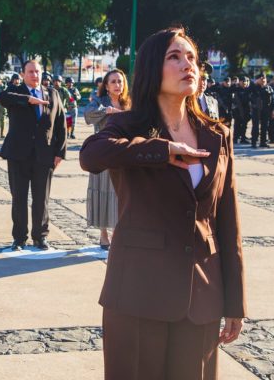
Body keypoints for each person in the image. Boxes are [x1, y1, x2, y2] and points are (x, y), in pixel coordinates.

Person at [79, 27, 245, 380]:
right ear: (153, 68)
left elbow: (227, 221)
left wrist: (235, 301)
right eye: (175, 57)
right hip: (138, 291)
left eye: (192, 58)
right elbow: (91, 156)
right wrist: (161, 150)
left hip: (201, 294)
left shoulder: (217, 135)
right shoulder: (124, 124)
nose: (188, 65)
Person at [0, 60, 67, 251]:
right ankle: (19, 238)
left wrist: (60, 153)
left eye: (37, 72)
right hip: (18, 155)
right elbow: (3, 97)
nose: (35, 75)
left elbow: (61, 125)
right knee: (19, 197)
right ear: (22, 74)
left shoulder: (52, 94)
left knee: (41, 198)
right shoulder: (16, 92)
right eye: (30, 72)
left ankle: (41, 236)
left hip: (44, 156)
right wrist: (28, 99)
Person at [84, 68, 129, 250]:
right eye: (113, 82)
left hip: (124, 153)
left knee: (122, 193)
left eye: (120, 81)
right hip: (102, 153)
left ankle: (120, 232)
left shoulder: (129, 103)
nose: (117, 85)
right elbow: (88, 115)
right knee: (103, 191)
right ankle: (104, 234)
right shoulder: (99, 101)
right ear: (107, 86)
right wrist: (106, 111)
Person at [249, 73, 274, 148]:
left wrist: (273, 110)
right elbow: (248, 91)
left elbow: (273, 100)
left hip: (266, 109)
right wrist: (254, 83)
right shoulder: (254, 87)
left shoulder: (269, 88)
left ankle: (263, 142)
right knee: (255, 127)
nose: (263, 80)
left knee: (265, 126)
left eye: (264, 78)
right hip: (256, 109)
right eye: (261, 78)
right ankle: (254, 142)